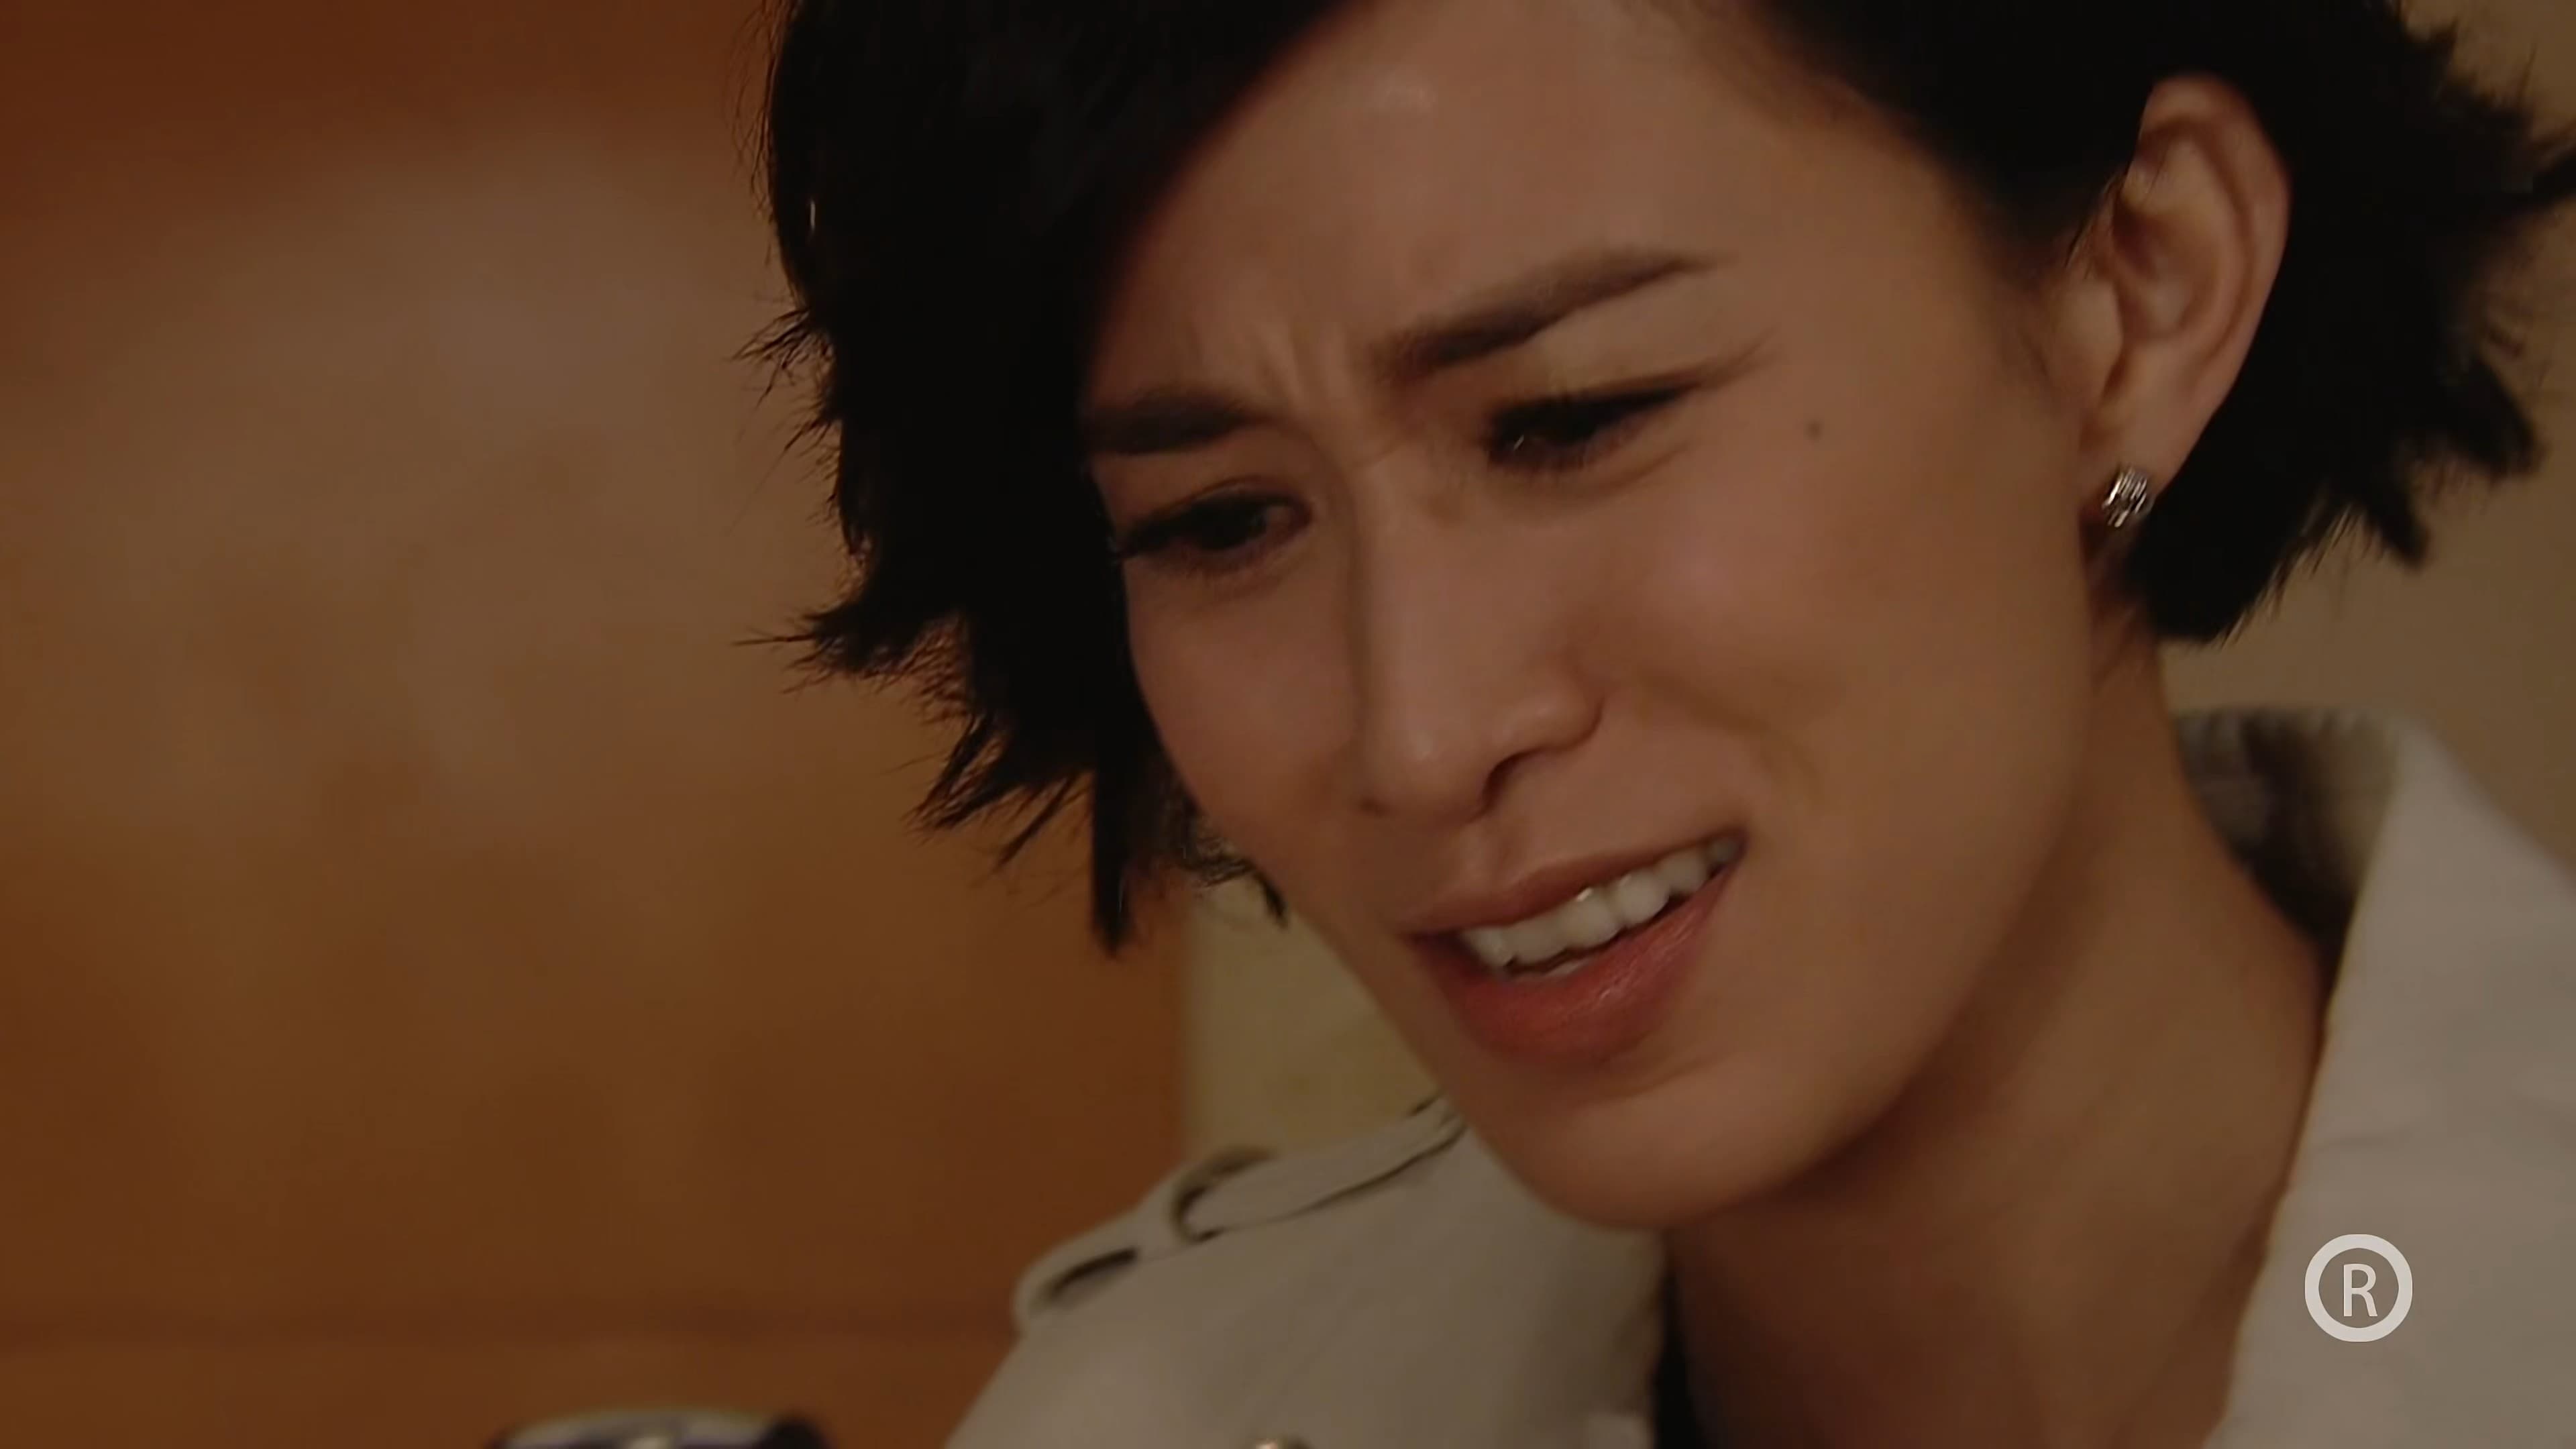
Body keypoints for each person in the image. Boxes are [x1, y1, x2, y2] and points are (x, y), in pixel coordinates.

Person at [752, 1, 2576, 1444]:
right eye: (1221, 523)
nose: (1420, 735)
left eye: (1571, 419)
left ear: (2144, 288)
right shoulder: (1150, 1412)